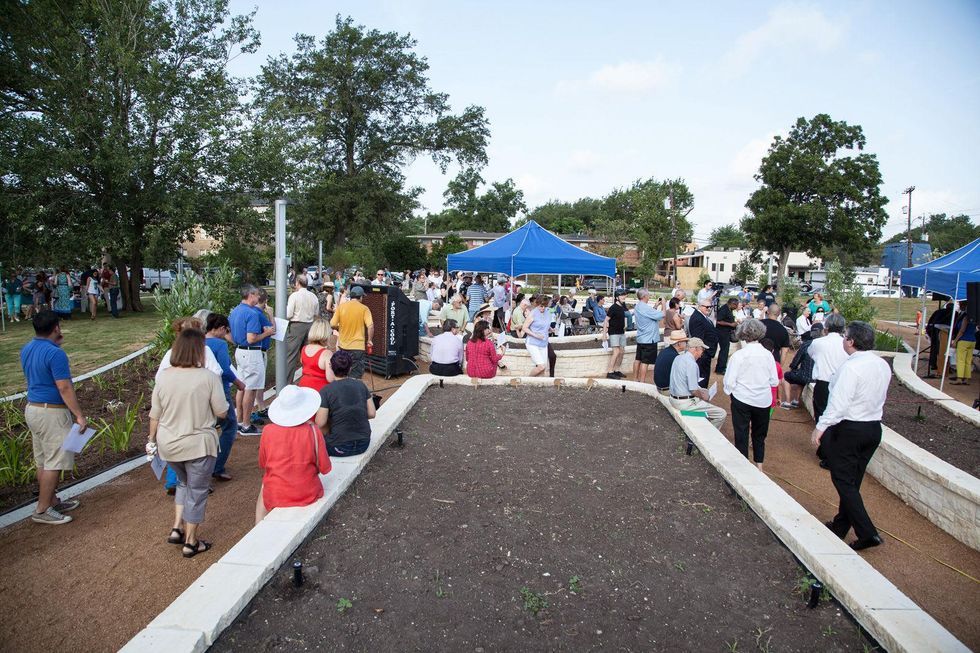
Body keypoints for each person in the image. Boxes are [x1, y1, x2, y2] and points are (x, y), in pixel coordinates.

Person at [147, 328, 228, 557]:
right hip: (198, 444)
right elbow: (221, 412)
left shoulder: (163, 377)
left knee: (184, 483)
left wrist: (151, 440)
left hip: (168, 444)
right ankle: (191, 541)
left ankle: (177, 527)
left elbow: (155, 415)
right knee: (197, 491)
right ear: (199, 350)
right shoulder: (208, 378)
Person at [811, 321, 890, 551]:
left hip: (851, 429)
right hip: (873, 428)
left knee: (843, 481)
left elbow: (839, 403)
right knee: (852, 482)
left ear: (851, 341)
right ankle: (840, 526)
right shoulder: (882, 365)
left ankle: (867, 533)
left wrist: (821, 427)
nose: (843, 340)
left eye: (845, 336)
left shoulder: (851, 367)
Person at [20, 312, 86, 524]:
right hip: (52, 412)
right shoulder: (56, 354)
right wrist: (79, 415)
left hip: (33, 408)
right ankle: (42, 510)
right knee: (55, 462)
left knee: (43, 460)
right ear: (56, 328)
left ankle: (51, 501)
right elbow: (64, 387)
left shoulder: (27, 348)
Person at [255, 384, 332, 524]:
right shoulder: (313, 431)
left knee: (264, 486)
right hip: (307, 492)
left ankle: (258, 527)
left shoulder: (268, 431)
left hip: (276, 493)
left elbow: (263, 463)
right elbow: (325, 468)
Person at [723, 319, 779, 470]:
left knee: (741, 433)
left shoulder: (739, 356)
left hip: (742, 398)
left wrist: (732, 392)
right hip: (763, 400)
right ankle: (759, 466)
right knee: (759, 435)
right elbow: (774, 381)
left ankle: (743, 468)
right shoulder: (768, 355)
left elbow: (729, 382)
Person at [203, 313, 246, 482]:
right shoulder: (219, 344)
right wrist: (238, 383)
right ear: (221, 328)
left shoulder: (197, 342)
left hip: (200, 392)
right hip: (219, 390)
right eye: (226, 330)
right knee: (230, 426)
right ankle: (217, 467)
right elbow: (225, 370)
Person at [229, 285, 276, 435]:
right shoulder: (251, 313)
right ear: (250, 295)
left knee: (242, 387)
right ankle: (246, 425)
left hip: (240, 351)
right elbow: (251, 338)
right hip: (251, 353)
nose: (258, 298)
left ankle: (240, 421)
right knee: (250, 388)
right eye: (256, 295)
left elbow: (230, 334)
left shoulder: (235, 311)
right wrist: (267, 333)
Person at [315, 351, 376, 457]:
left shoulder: (326, 391)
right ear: (350, 368)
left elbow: (320, 423)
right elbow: (372, 413)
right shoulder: (361, 385)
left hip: (339, 447)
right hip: (363, 444)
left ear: (330, 366)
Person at [808, 312, 848, 467]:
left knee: (823, 415)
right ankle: (827, 450)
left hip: (824, 383)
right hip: (841, 384)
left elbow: (811, 353)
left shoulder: (819, 343)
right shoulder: (845, 344)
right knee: (837, 417)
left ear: (826, 327)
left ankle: (827, 453)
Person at [669, 336, 727, 429]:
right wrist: (703, 396)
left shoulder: (678, 358)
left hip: (673, 399)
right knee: (721, 414)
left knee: (703, 394)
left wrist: (702, 391)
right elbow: (693, 391)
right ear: (696, 349)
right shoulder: (692, 364)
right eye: (702, 350)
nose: (701, 354)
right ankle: (708, 434)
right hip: (684, 404)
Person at [330, 285, 374, 380]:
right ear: (360, 297)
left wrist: (339, 328)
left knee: (343, 373)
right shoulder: (364, 308)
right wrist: (369, 340)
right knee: (355, 375)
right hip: (357, 347)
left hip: (343, 346)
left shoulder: (341, 307)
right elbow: (370, 326)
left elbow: (332, 324)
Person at [284, 273, 320, 384]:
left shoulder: (294, 296)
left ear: (297, 283)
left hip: (296, 326)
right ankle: (308, 380)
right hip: (310, 326)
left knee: (291, 356)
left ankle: (287, 383)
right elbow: (316, 313)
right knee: (308, 355)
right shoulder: (313, 296)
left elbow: (288, 314)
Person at [781, 322, 823, 409]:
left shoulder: (807, 344)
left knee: (786, 376)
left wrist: (792, 368)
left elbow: (796, 360)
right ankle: (796, 400)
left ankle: (788, 402)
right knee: (801, 375)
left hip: (806, 375)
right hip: (820, 377)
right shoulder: (826, 345)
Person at [631, 289, 665, 383]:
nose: (649, 296)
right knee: (645, 362)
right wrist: (664, 304)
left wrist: (656, 306)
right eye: (648, 295)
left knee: (638, 359)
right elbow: (662, 315)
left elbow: (648, 314)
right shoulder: (646, 308)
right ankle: (642, 382)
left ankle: (635, 379)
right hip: (649, 339)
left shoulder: (638, 306)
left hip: (641, 338)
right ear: (644, 296)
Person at [687, 298, 719, 389]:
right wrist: (703, 353)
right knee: (702, 377)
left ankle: (702, 392)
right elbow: (698, 339)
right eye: (707, 307)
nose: (709, 309)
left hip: (706, 352)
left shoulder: (702, 316)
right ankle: (700, 394)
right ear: (700, 306)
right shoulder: (697, 318)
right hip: (702, 354)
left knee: (704, 376)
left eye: (711, 307)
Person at [298, 319, 334, 392]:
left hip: (303, 386)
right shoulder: (327, 353)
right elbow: (330, 379)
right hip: (320, 390)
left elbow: (303, 364)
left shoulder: (304, 348)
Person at [521, 295, 551, 377]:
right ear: (537, 304)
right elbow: (524, 328)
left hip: (543, 343)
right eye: (541, 306)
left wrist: (550, 329)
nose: (543, 308)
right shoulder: (533, 313)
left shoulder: (548, 312)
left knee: (543, 369)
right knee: (541, 366)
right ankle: (527, 380)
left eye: (545, 306)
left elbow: (544, 324)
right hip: (533, 343)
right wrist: (536, 335)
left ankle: (537, 383)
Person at [603, 289, 630, 379]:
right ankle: (610, 372)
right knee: (616, 351)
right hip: (613, 332)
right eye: (622, 295)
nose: (624, 297)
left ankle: (616, 370)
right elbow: (606, 320)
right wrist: (604, 334)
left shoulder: (622, 307)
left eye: (624, 295)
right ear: (617, 297)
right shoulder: (613, 307)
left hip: (621, 332)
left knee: (622, 351)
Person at [924, 302, 953, 378]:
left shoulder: (939, 311)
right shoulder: (953, 313)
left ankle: (934, 364)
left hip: (934, 330)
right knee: (942, 351)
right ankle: (942, 369)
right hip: (942, 332)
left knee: (935, 348)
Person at [950, 303, 976, 385]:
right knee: (968, 361)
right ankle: (967, 378)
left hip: (964, 340)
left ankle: (959, 378)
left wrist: (955, 341)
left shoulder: (966, 318)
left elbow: (962, 330)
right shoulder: (975, 319)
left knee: (961, 360)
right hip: (972, 340)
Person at [714, 297, 739, 374]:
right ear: (732, 304)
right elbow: (718, 321)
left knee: (725, 350)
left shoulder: (729, 309)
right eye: (736, 305)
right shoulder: (724, 309)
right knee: (724, 351)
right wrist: (730, 324)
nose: (737, 307)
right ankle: (720, 369)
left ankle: (721, 367)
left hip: (726, 332)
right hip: (722, 332)